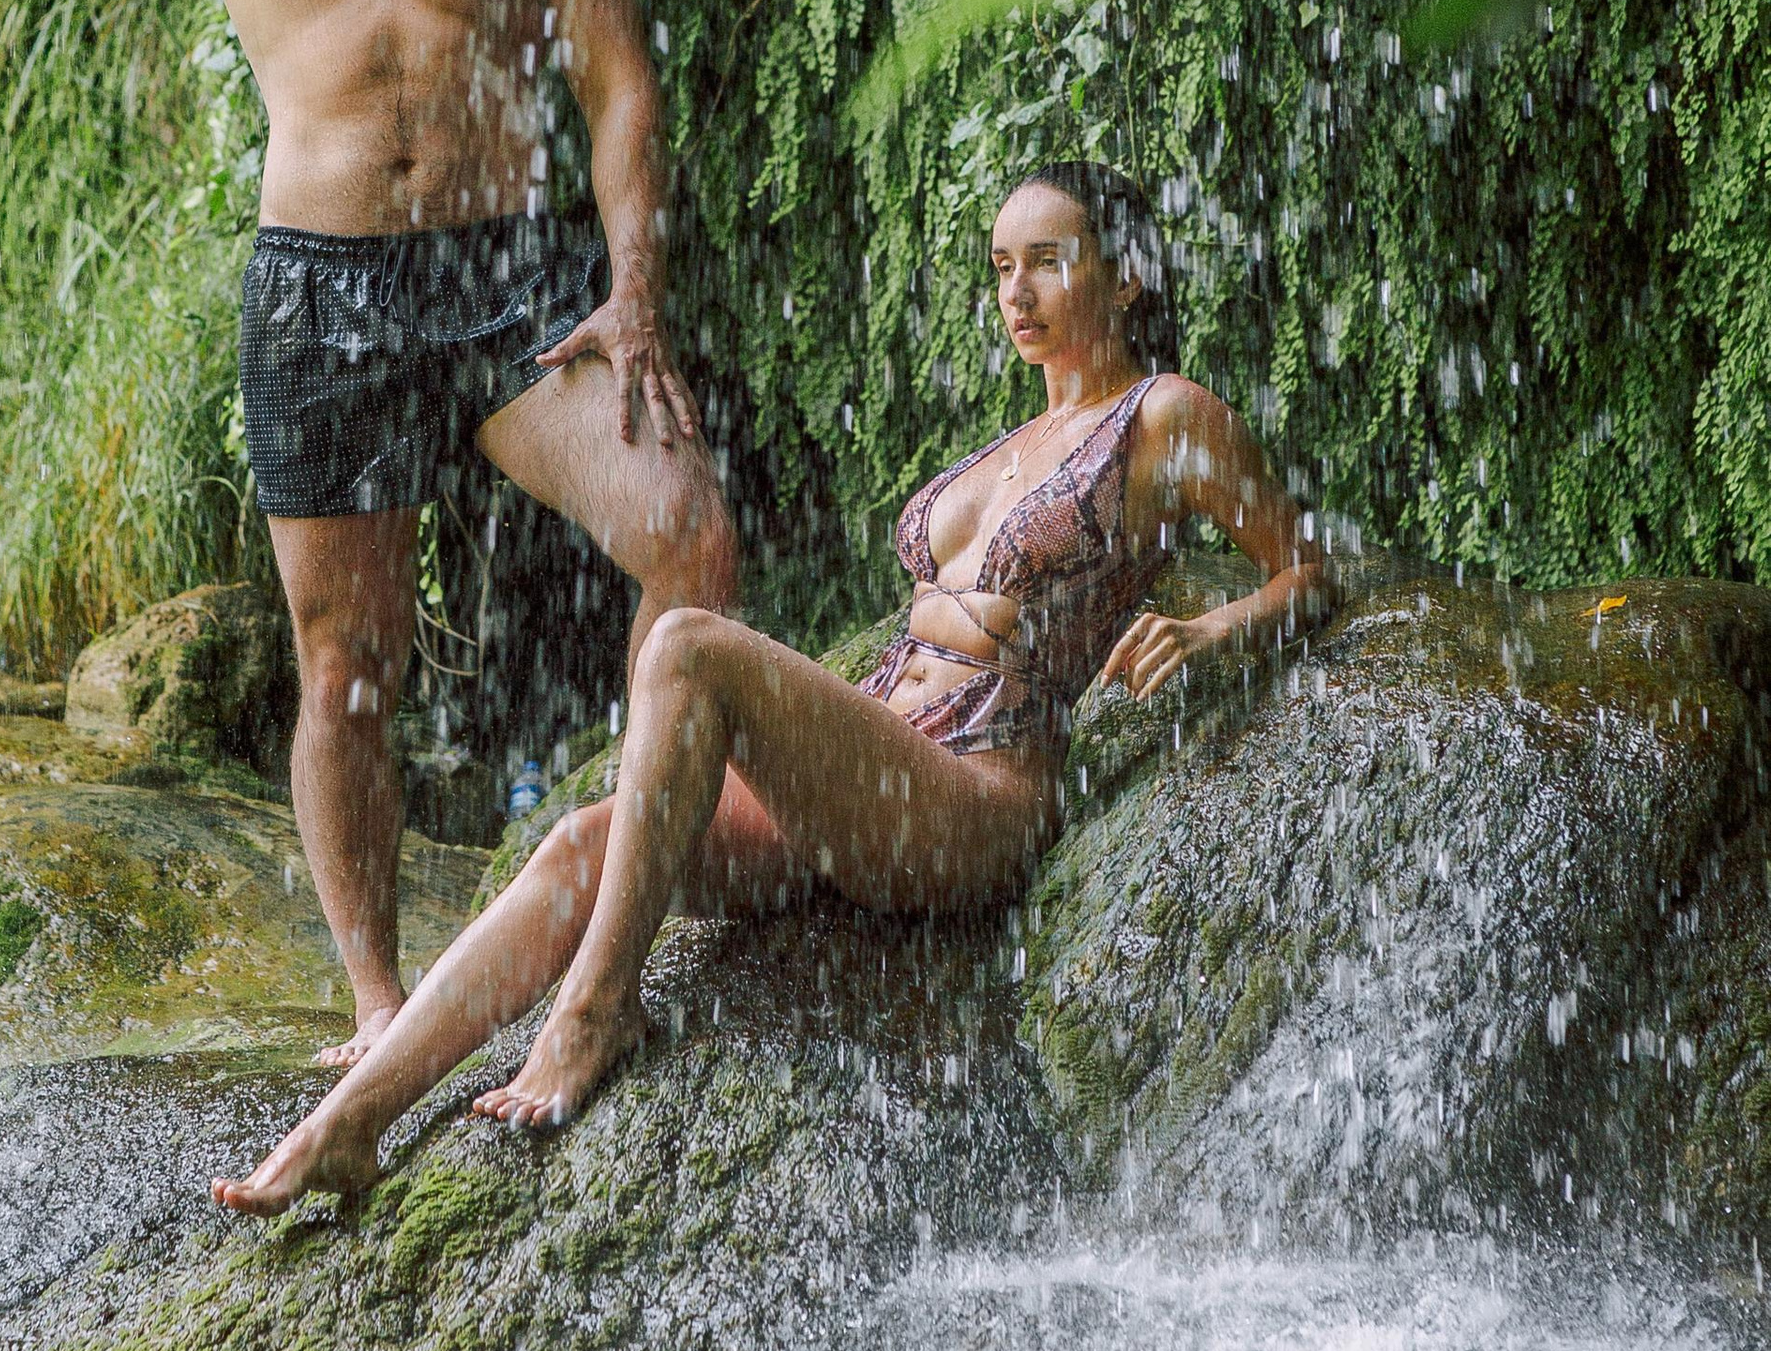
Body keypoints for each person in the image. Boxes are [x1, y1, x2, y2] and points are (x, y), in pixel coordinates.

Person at [210, 159, 1331, 1212]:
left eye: (1048, 259)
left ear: (1124, 273)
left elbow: (1308, 570)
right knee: (576, 849)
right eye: (999, 266)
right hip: (870, 770)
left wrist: (1215, 625)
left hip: (975, 796)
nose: (1016, 290)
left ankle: (596, 1010)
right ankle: (350, 1121)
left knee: (689, 643)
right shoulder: (1013, 440)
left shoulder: (1163, 415)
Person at [0, 0, 738, 1067]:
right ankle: (380, 1004)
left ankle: (628, 909)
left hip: (505, 275)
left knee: (688, 533)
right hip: (318, 290)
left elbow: (620, 90)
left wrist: (633, 292)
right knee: (347, 666)